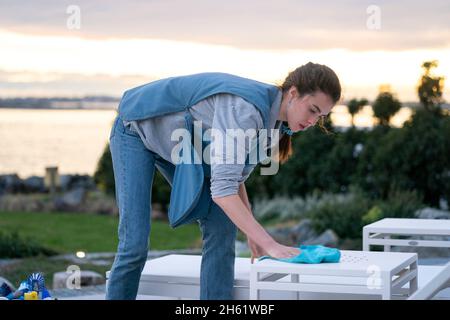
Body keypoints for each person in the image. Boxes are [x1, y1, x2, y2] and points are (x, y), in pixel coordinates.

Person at [105, 62, 342, 300]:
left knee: (223, 230)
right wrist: (269, 244)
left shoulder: (276, 128)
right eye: (312, 110)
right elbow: (223, 193)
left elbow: (234, 179)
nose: (313, 121)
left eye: (320, 116)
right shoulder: (245, 110)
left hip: (181, 147)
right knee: (134, 244)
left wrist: (252, 234)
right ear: (293, 94)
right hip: (135, 131)